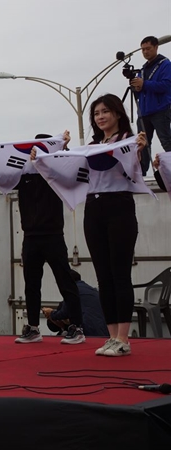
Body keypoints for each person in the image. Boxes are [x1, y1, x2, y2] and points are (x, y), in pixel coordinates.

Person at [0, 133, 85, 345]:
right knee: (31, 285)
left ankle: (77, 327)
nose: (36, 153)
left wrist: (64, 149)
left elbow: (71, 168)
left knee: (65, 281)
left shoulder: (55, 175)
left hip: (53, 236)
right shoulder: (23, 175)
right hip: (30, 237)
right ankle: (33, 328)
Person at [82, 94, 147, 357]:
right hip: (93, 208)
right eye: (96, 113)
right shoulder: (91, 146)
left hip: (119, 206)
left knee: (120, 274)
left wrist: (141, 150)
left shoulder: (129, 141)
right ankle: (110, 337)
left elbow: (136, 171)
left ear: (118, 113)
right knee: (103, 276)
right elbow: (69, 172)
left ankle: (123, 338)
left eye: (105, 111)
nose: (100, 117)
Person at [131, 36, 171, 175]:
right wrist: (137, 88)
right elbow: (142, 90)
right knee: (142, 144)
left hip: (160, 110)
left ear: (156, 47)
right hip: (144, 112)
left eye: (148, 49)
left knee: (166, 140)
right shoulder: (143, 69)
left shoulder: (165, 64)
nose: (145, 52)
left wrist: (144, 84)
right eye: (143, 50)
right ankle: (142, 172)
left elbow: (166, 85)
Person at [41, 270, 108, 337]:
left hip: (87, 332)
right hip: (105, 333)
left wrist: (51, 313)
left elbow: (63, 314)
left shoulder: (73, 291)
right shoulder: (92, 291)